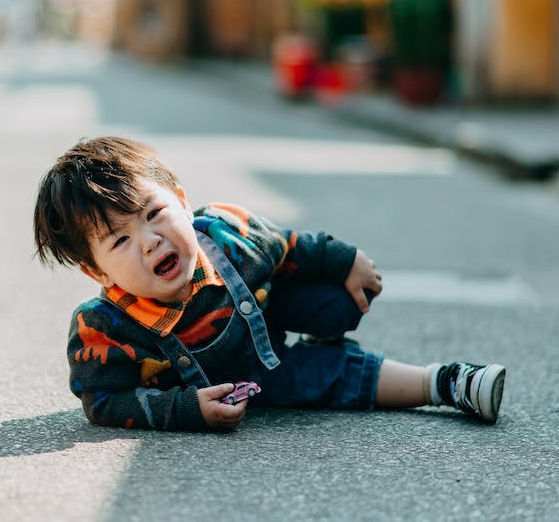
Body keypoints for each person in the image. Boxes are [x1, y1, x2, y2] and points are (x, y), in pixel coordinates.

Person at [33, 136, 506, 431]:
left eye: (154, 214)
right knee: (338, 373)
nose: (151, 241)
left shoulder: (224, 233)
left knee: (339, 296)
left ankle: (326, 323)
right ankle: (445, 382)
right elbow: (104, 401)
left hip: (264, 317)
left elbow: (285, 244)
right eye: (120, 241)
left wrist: (345, 261)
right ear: (97, 272)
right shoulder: (104, 329)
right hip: (255, 382)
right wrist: (186, 410)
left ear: (181, 200)